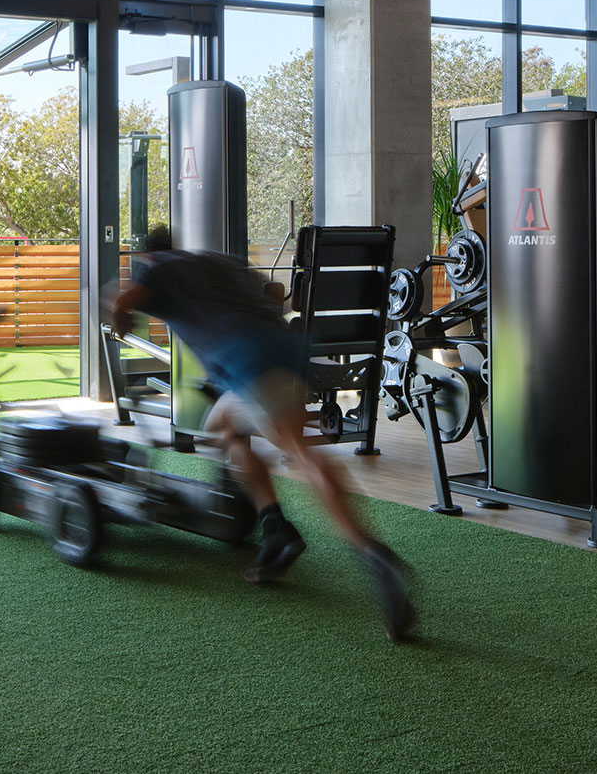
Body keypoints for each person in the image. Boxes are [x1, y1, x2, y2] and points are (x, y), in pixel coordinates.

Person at [110, 226, 415, 641]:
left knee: (300, 451)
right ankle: (275, 529)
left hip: (248, 359)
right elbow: (272, 291)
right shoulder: (215, 260)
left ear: (147, 256)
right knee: (223, 425)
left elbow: (124, 300)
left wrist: (120, 321)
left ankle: (372, 553)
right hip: (285, 348)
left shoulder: (155, 268)